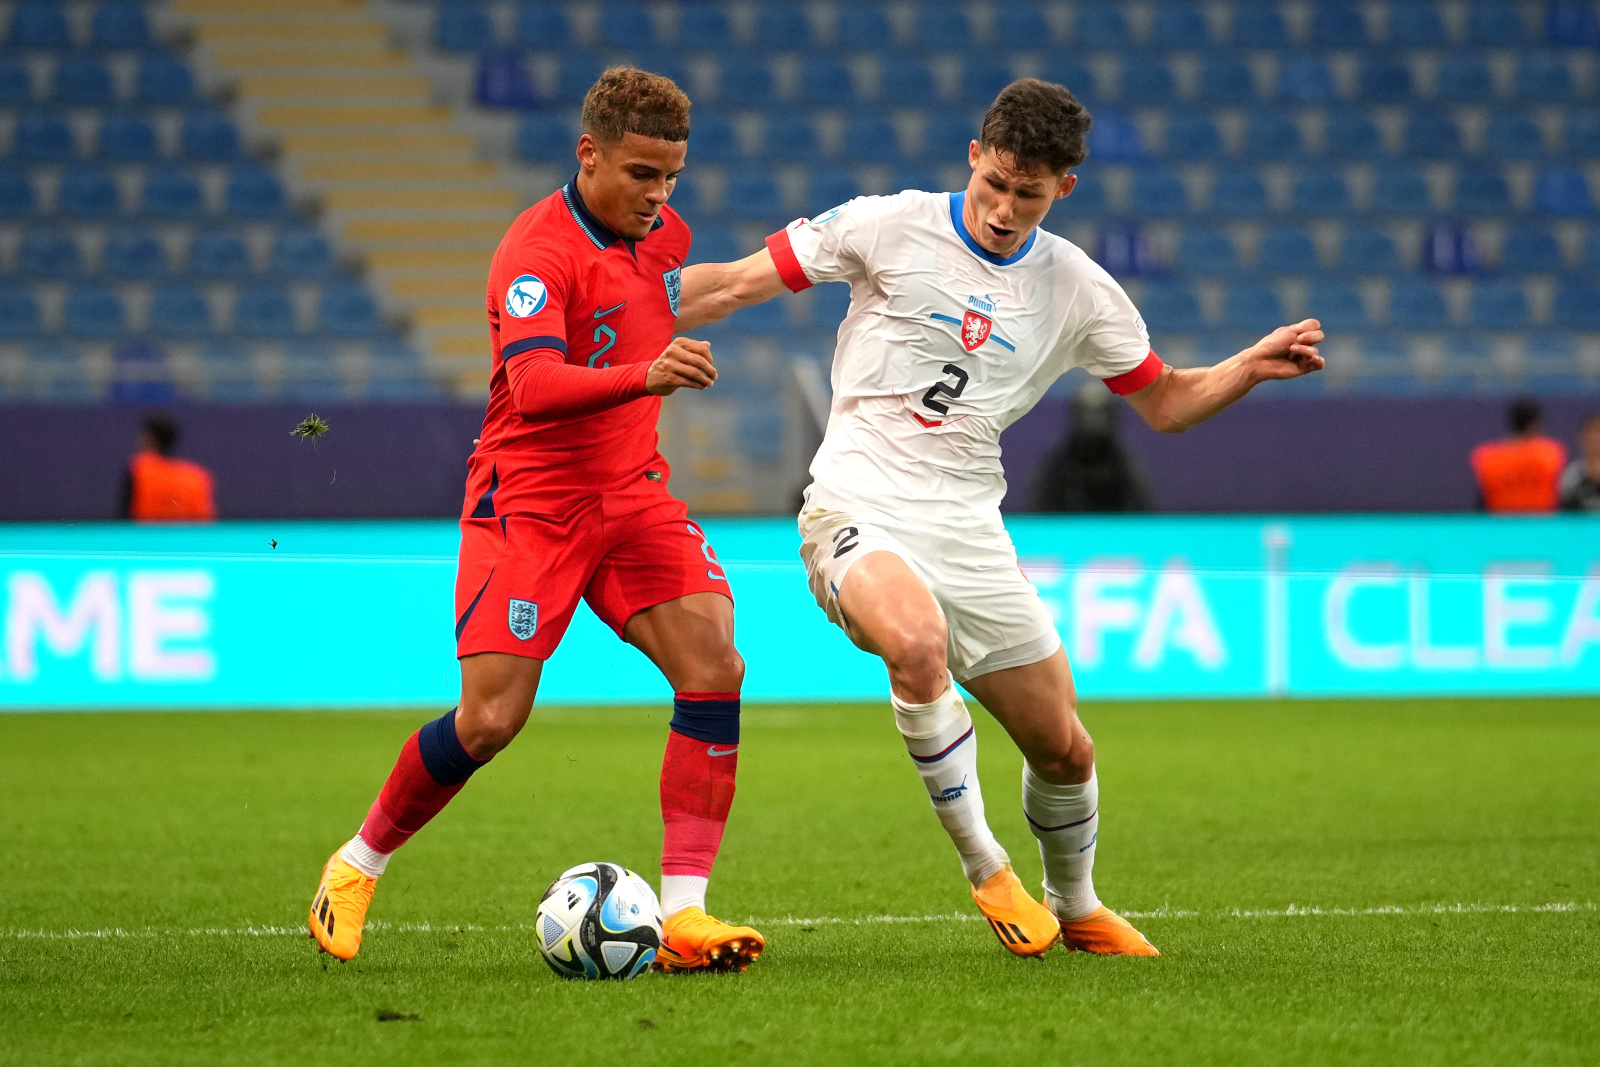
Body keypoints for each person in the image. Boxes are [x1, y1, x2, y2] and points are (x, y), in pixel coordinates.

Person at [674, 78, 1324, 958]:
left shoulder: (1077, 289)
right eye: (995, 185)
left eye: (1031, 193)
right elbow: (732, 284)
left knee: (1065, 750)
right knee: (914, 644)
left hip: (970, 529)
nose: (1005, 210)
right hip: (856, 505)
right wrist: (613, 299)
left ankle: (1079, 903)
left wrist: (1245, 365)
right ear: (973, 157)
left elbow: (1165, 402)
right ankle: (987, 867)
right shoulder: (886, 223)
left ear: (1066, 189)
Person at [309, 68, 765, 975]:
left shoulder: (662, 233)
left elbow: (665, 297)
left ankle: (685, 915)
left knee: (716, 666)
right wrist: (648, 375)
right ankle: (357, 864)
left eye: (671, 175)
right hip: (530, 501)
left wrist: (788, 271)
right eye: (641, 173)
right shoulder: (534, 253)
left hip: (633, 492)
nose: (659, 194)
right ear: (588, 155)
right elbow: (536, 385)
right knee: (490, 720)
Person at [1032, 381, 1153, 511]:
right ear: (1076, 414)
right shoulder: (1059, 461)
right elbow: (1041, 504)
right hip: (1069, 528)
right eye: (1087, 412)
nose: (1093, 420)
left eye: (1100, 412)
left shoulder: (1123, 461)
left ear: (1111, 415)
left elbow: (1142, 504)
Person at [1470, 397, 1567, 513]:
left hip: (1500, 526)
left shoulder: (1486, 457)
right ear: (1533, 424)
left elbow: (1482, 500)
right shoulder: (1551, 453)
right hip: (1541, 525)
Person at [120, 413, 215, 522]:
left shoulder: (137, 469)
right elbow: (205, 523)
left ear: (149, 438)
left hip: (145, 537)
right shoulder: (198, 477)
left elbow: (124, 520)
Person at [1559, 414, 1600, 511]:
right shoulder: (1571, 473)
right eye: (1591, 434)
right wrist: (1588, 479)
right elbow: (1565, 504)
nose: (1596, 440)